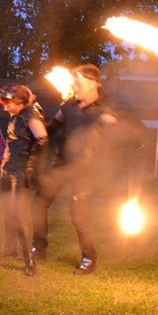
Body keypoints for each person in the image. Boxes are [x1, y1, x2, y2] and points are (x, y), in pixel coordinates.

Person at [31, 64, 117, 276]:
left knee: (78, 214)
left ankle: (89, 258)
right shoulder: (68, 106)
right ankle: (39, 249)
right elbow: (52, 128)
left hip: (84, 170)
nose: (74, 86)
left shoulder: (102, 113)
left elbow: (117, 133)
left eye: (78, 82)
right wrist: (34, 124)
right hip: (61, 165)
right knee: (39, 203)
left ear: (92, 83)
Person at [0, 85, 48, 277]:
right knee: (7, 211)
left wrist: (34, 168)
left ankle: (29, 261)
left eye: (8, 104)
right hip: (7, 169)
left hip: (21, 173)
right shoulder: (20, 111)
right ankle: (9, 249)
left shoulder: (31, 116)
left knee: (19, 215)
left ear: (19, 102)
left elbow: (42, 138)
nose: (5, 108)